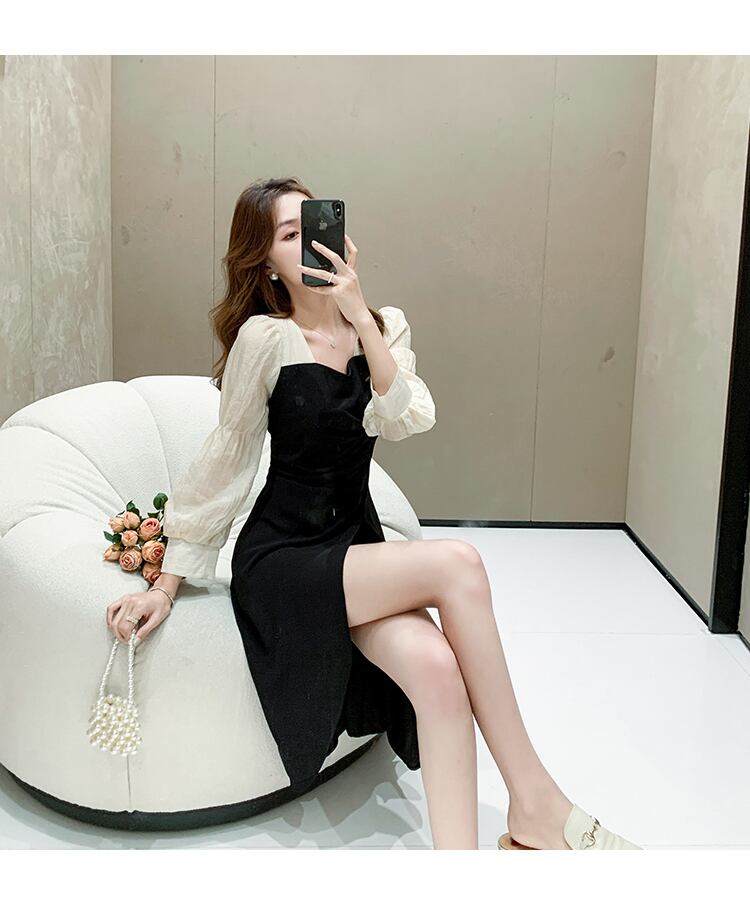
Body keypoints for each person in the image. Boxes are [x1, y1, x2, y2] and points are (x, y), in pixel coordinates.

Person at [105, 176, 641, 851]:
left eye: (314, 224)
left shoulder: (382, 326)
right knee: (459, 563)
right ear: (266, 262)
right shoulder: (265, 340)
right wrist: (166, 583)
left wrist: (359, 317)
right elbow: (228, 460)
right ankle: (535, 802)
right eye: (290, 234)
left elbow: (406, 416)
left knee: (438, 673)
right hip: (285, 561)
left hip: (352, 545)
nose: (310, 244)